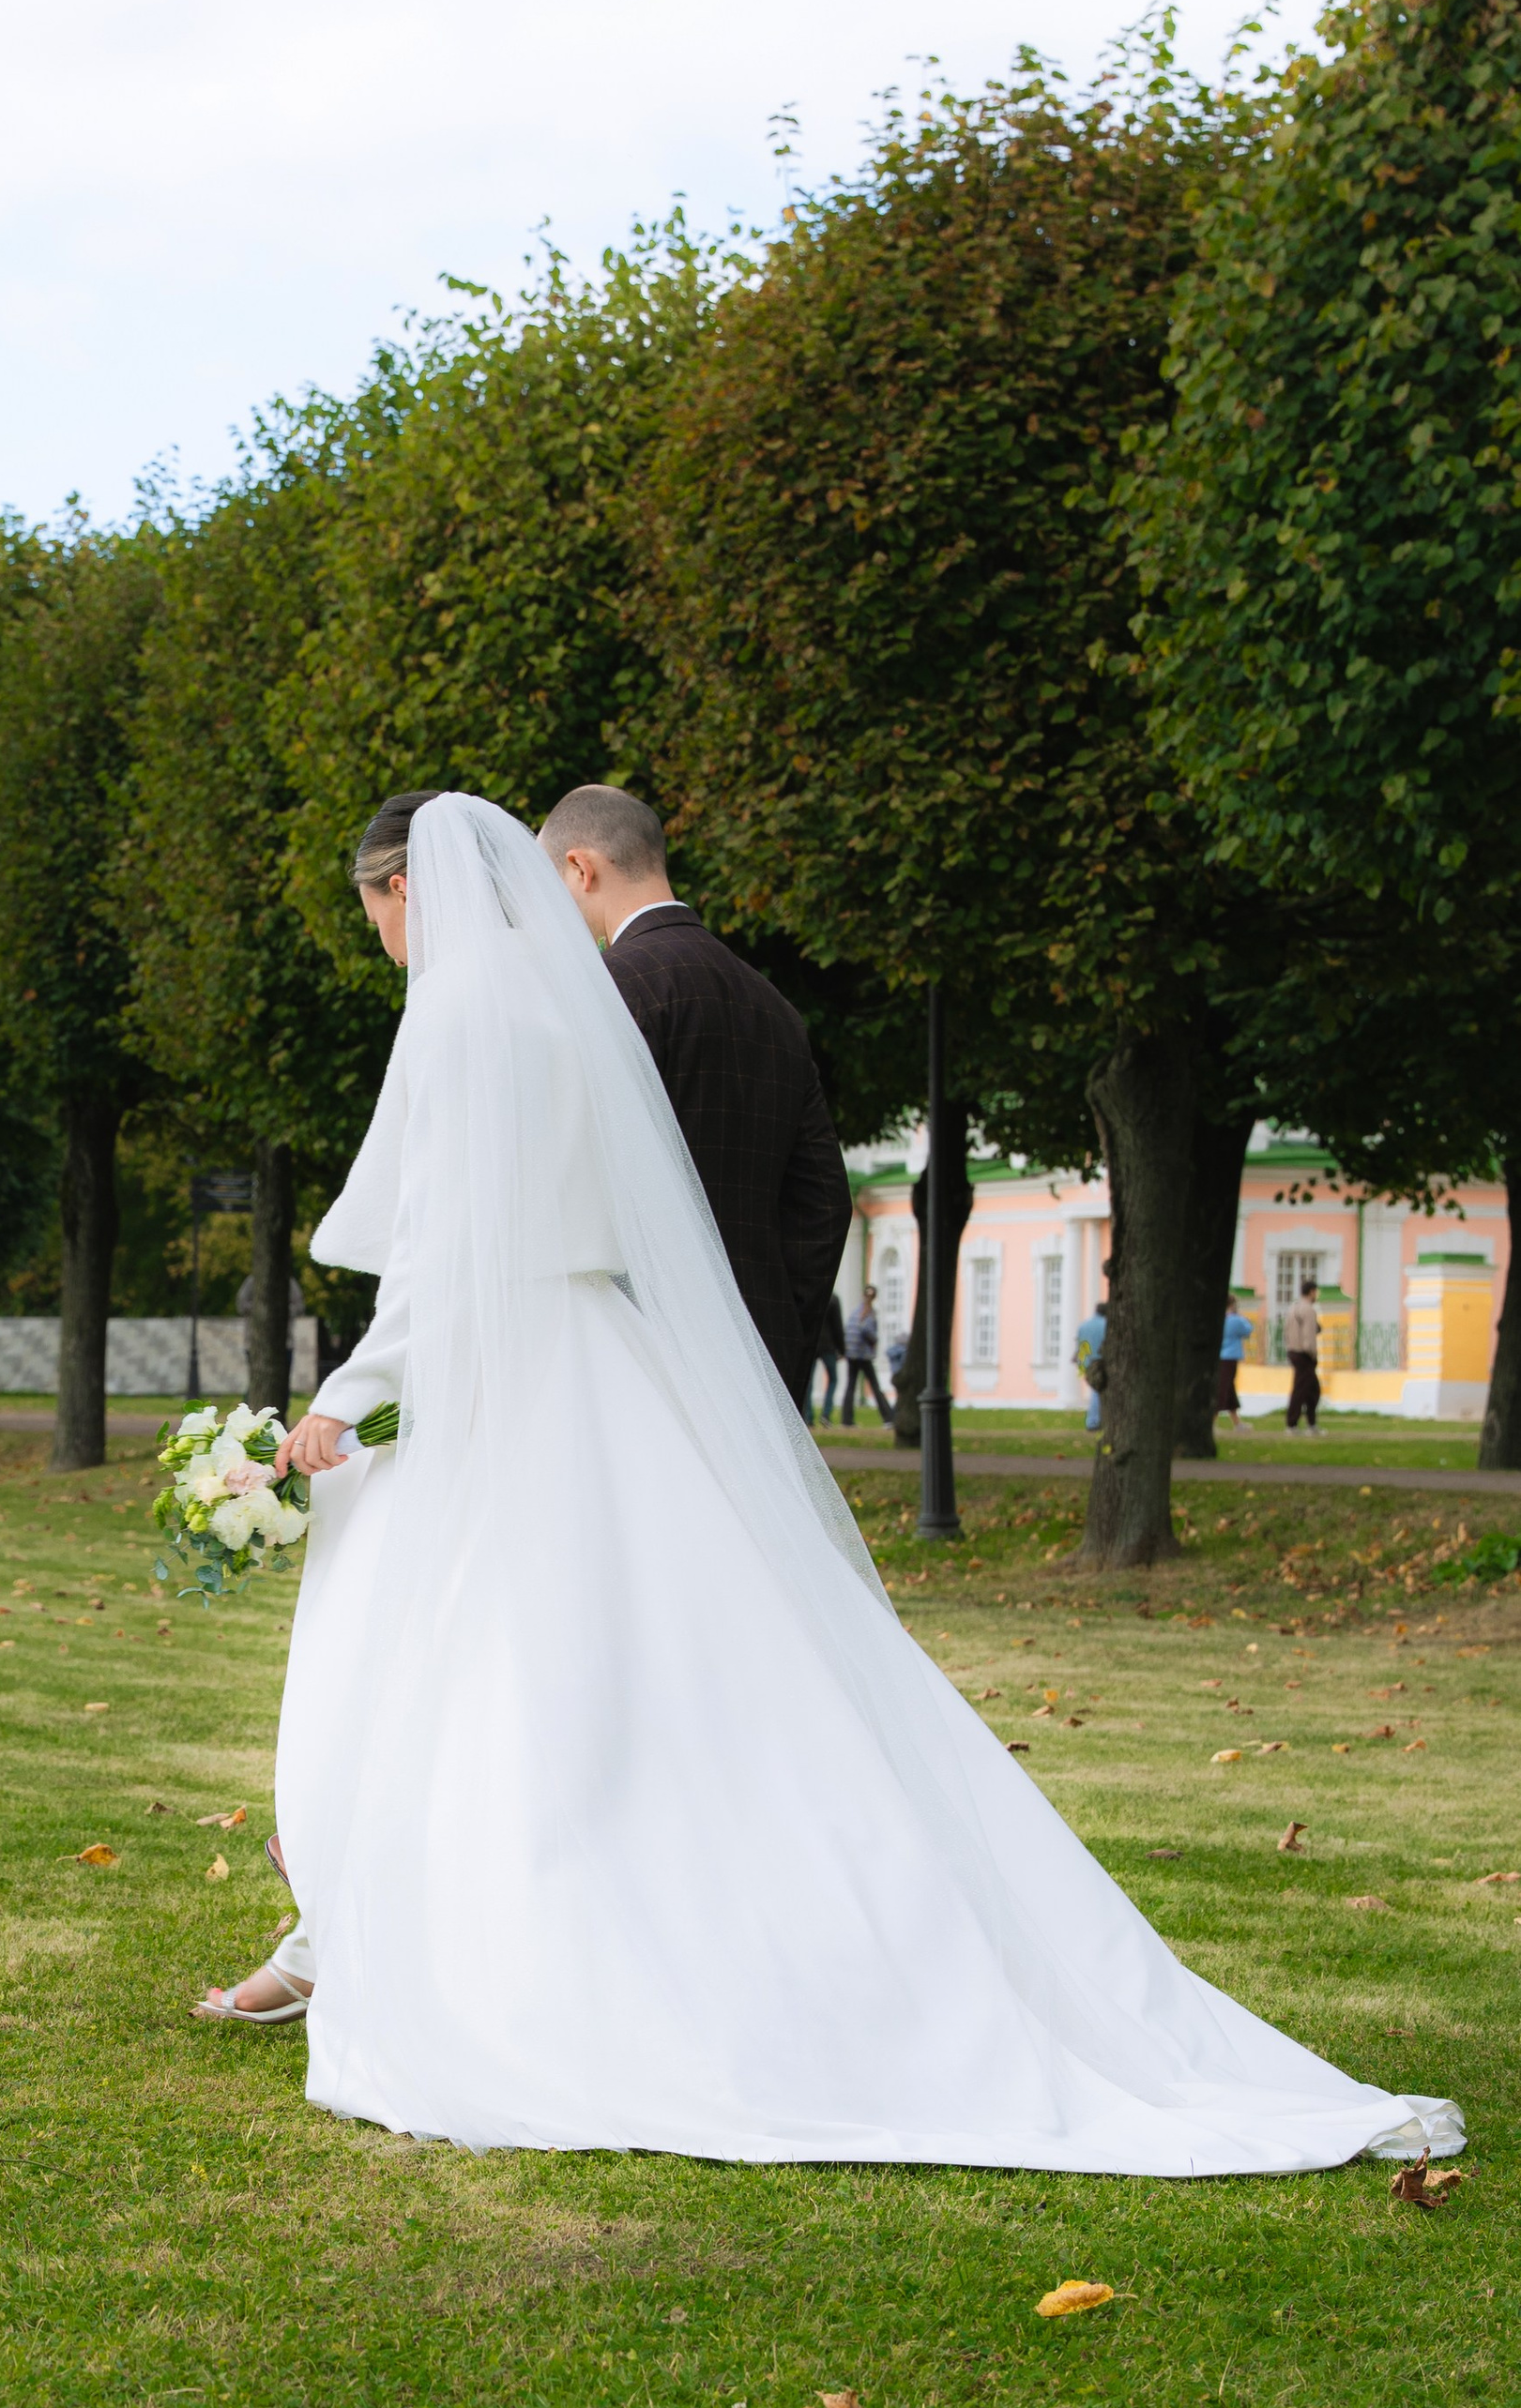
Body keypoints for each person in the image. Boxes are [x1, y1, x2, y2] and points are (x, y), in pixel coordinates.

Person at [198, 789, 1460, 2179]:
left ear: (400, 894)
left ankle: (444, 1950)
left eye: (373, 912)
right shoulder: (580, 1009)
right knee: (692, 1666)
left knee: (474, 1656)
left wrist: (341, 1401)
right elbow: (766, 1203)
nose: (380, 937)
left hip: (524, 1372)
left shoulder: (458, 1015)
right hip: (623, 1369)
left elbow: (443, 1256)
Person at [540, 785, 849, 1404]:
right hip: (758, 1358)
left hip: (636, 1354)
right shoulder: (775, 1006)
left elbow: (571, 1176)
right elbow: (824, 1201)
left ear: (581, 867)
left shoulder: (601, 990)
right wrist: (783, 1337)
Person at [841, 1287, 891, 1425]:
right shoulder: (869, 1313)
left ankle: (846, 1419)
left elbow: (849, 1330)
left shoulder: (856, 1311)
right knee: (875, 1385)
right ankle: (888, 1417)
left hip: (852, 1353)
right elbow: (866, 1330)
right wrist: (874, 1340)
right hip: (862, 1355)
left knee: (850, 1385)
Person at [1284, 1277, 1322, 1430]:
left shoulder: (1293, 1307)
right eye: (1315, 1292)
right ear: (1311, 1292)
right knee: (1302, 1390)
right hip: (1304, 1354)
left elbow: (1287, 1330)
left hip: (1293, 1351)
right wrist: (1313, 1354)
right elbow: (1309, 1336)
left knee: (1311, 1390)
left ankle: (1311, 1423)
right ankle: (1292, 1423)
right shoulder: (1308, 1310)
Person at [1074, 1275, 1111, 1431]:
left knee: (1095, 1391)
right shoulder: (1108, 1325)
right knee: (1100, 1393)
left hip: (1089, 1363)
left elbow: (1082, 1346)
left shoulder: (1084, 1326)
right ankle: (1094, 1421)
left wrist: (1082, 1365)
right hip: (1105, 1362)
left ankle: (1093, 1421)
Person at [1216, 1290, 1253, 1430]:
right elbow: (1248, 1329)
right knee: (1223, 1389)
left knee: (1229, 1389)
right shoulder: (1235, 1320)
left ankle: (1237, 1422)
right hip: (1230, 1357)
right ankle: (1211, 1422)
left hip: (1220, 1356)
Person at [810, 1289, 845, 1424]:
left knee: (809, 1381)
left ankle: (808, 1415)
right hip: (828, 1346)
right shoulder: (833, 1298)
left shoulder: (812, 1296)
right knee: (833, 1379)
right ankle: (826, 1413)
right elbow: (838, 1325)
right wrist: (842, 1348)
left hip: (813, 1344)